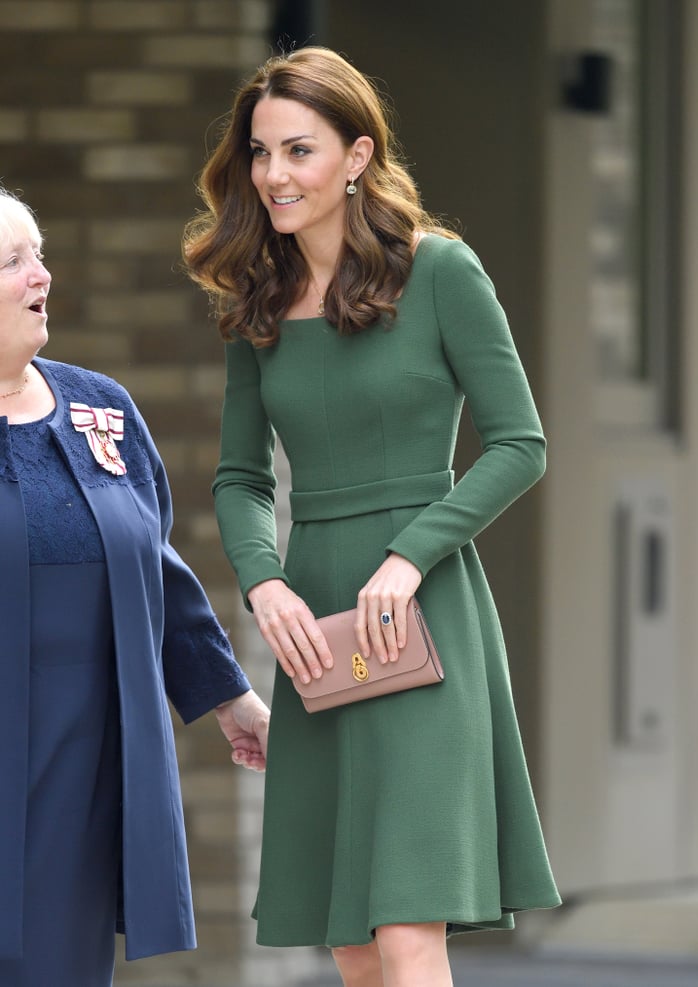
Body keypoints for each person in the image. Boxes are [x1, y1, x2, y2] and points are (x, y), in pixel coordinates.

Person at [182, 46, 561, 987]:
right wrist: (263, 582)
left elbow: (521, 443)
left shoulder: (442, 272)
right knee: (350, 940)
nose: (273, 174)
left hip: (420, 614)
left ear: (356, 157)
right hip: (317, 626)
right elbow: (239, 477)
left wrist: (409, 554)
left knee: (404, 928)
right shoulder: (255, 304)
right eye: (261, 152)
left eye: (299, 150)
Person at [0, 185, 271, 987]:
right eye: (13, 262)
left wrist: (231, 695)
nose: (40, 276)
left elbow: (155, 566)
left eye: (38, 254)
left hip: (81, 771)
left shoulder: (100, 408)